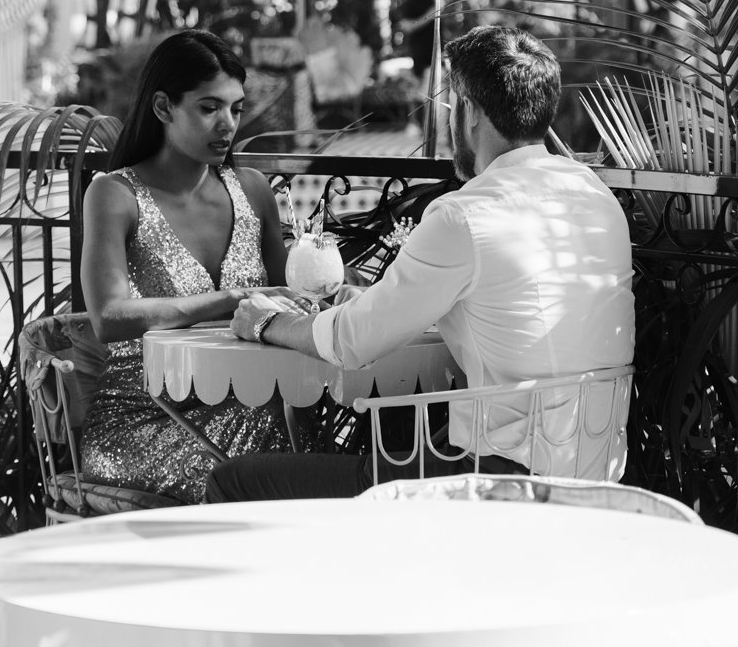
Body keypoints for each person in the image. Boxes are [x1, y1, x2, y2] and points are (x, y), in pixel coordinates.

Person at [210, 26, 634, 499]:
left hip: (496, 484)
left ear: (470, 113)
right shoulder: (595, 195)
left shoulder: (466, 214)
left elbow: (352, 342)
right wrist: (373, 301)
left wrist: (265, 321)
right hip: (595, 471)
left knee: (233, 481)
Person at [78, 30, 299, 503]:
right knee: (265, 477)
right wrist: (230, 300)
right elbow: (108, 317)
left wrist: (339, 288)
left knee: (316, 458)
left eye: (236, 109)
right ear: (162, 107)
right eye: (209, 107)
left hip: (252, 407)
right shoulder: (114, 195)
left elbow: (290, 298)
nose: (228, 124)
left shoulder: (254, 190)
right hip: (144, 420)